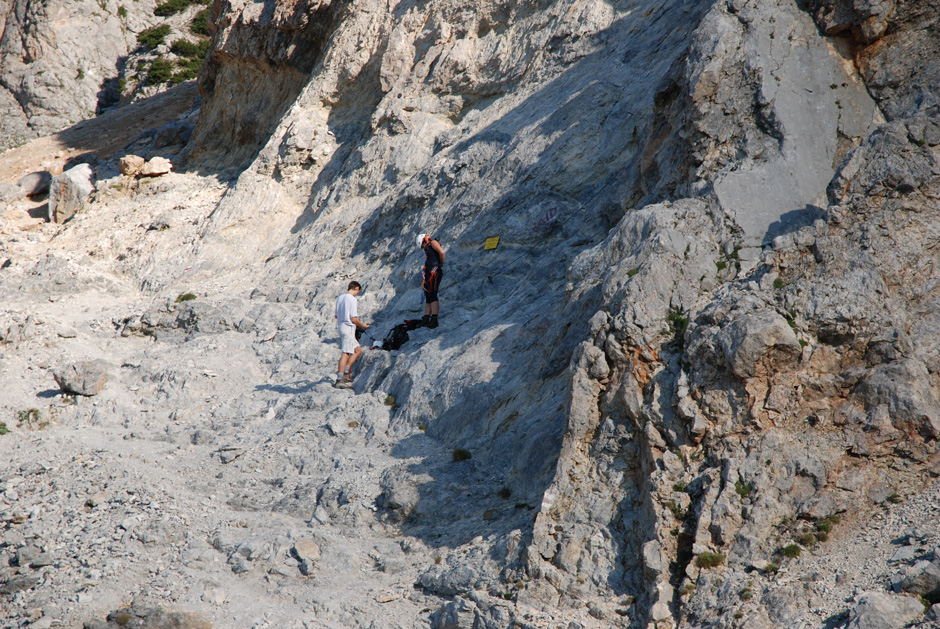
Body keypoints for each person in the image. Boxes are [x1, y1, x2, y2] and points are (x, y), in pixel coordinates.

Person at [334, 281, 369, 388]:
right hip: (348, 327)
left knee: (358, 350)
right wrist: (363, 325)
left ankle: (346, 371)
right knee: (346, 352)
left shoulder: (340, 298)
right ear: (356, 288)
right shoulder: (352, 299)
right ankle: (339, 379)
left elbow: (336, 316)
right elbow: (353, 318)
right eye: (358, 291)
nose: (357, 293)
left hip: (340, 326)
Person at [417, 233, 445, 328]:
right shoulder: (428, 247)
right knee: (428, 295)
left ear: (424, 241)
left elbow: (441, 252)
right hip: (429, 272)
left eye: (422, 245)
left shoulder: (433, 242)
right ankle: (426, 318)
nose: (423, 247)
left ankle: (434, 319)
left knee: (432, 294)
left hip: (434, 271)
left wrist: (440, 264)